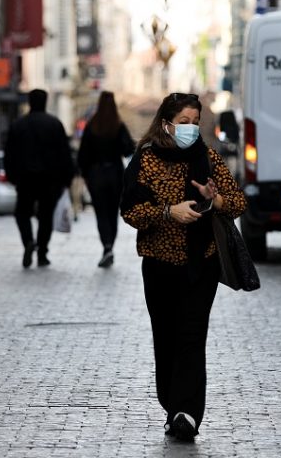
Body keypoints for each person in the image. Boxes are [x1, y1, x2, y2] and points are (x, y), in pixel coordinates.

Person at [120, 92, 246, 441]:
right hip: (159, 265)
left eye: (195, 122)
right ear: (166, 123)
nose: (190, 129)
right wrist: (167, 211)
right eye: (183, 122)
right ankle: (172, 405)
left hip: (199, 263)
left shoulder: (206, 156)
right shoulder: (144, 160)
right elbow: (131, 211)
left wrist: (214, 196)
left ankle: (187, 414)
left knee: (192, 336)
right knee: (167, 336)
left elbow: (237, 202)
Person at [3, 89, 75, 268]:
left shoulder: (18, 125)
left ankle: (28, 241)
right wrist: (66, 179)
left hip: (25, 179)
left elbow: (9, 154)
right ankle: (42, 252)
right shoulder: (54, 125)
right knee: (46, 216)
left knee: (22, 213)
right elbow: (64, 154)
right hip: (50, 180)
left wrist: (12, 176)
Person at [77, 91, 135, 268]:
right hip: (115, 174)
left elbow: (83, 155)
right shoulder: (118, 126)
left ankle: (107, 246)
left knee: (100, 212)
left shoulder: (91, 126)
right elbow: (128, 149)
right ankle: (110, 246)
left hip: (96, 175)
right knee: (112, 213)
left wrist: (86, 174)